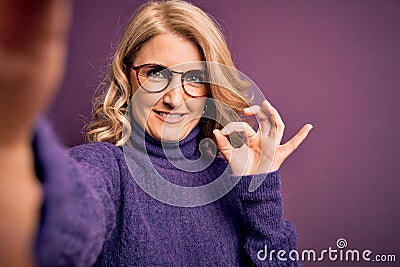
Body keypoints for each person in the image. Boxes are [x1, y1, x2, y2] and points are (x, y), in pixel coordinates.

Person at [0, 0, 312, 266]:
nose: (174, 98)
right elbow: (62, 222)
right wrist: (12, 142)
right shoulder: (106, 168)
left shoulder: (232, 179)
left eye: (194, 77)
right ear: (127, 76)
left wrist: (259, 189)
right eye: (155, 73)